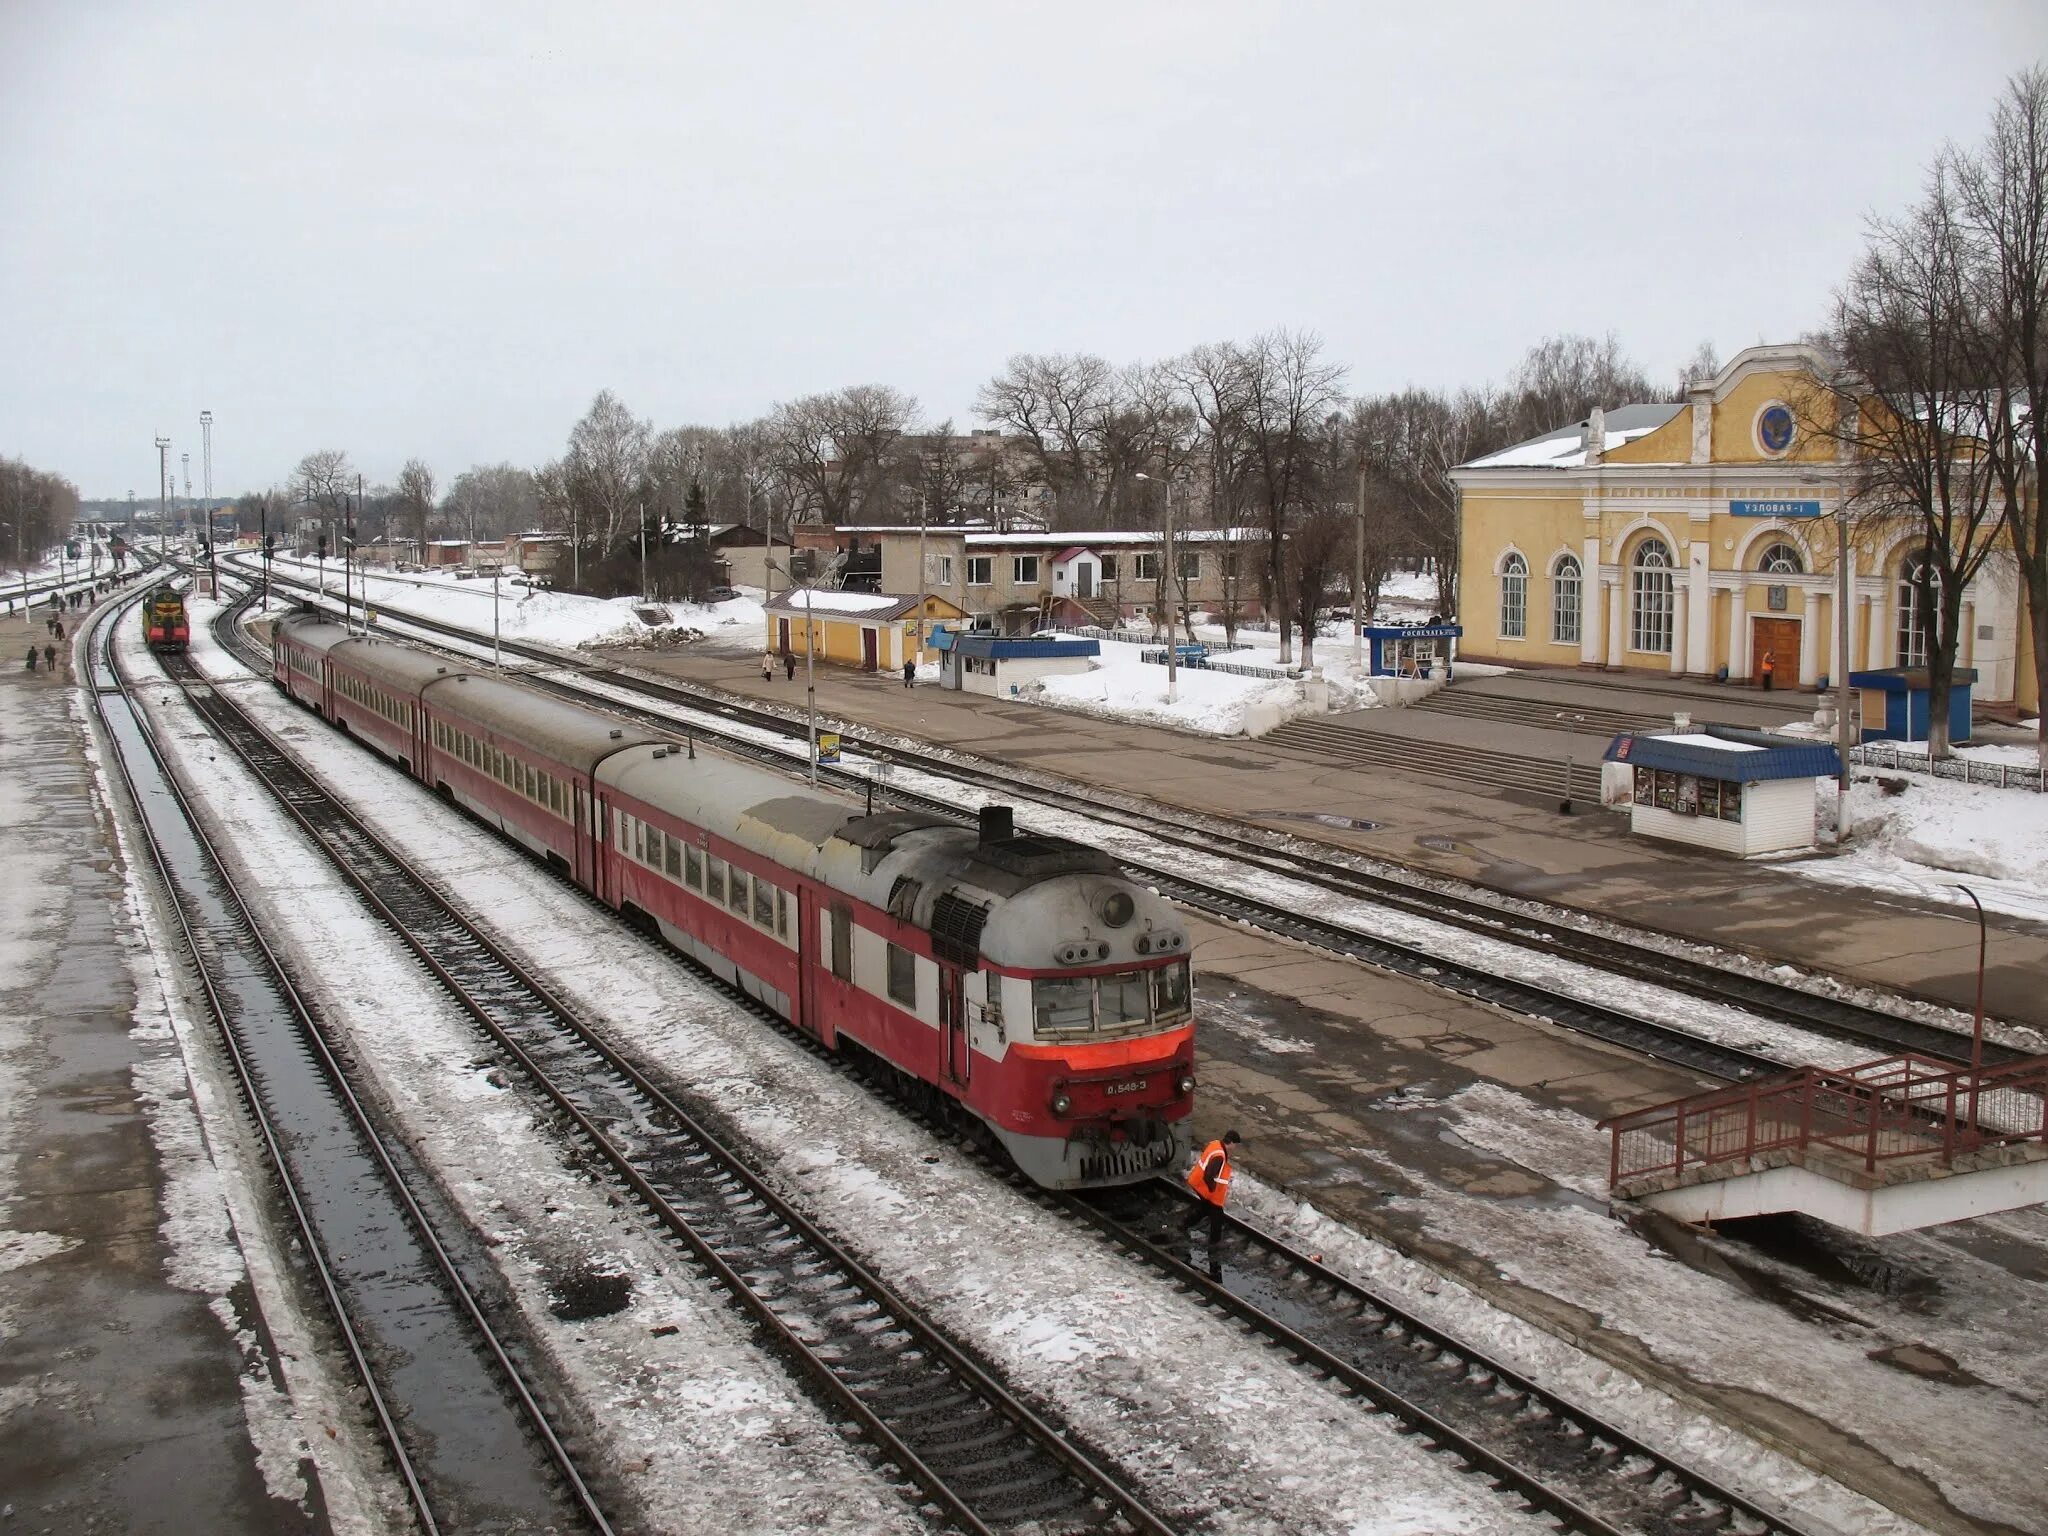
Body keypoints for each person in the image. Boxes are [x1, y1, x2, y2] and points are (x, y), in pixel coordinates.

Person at [1182, 1129, 1242, 1258]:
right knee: (1217, 1215)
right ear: (1230, 1142)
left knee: (1204, 1209)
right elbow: (1209, 1175)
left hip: (1198, 1182)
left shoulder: (1216, 1144)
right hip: (1205, 1187)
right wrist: (1212, 1189)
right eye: (1235, 1145)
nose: (1235, 1148)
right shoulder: (1219, 1156)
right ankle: (1214, 1242)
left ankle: (1184, 1225)